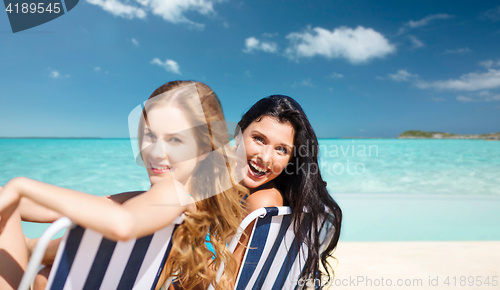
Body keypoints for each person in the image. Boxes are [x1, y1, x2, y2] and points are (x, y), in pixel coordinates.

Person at [0, 80, 246, 290]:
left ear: (203, 149)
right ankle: (32, 247)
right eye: (150, 136)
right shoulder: (189, 202)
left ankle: (32, 247)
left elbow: (123, 224)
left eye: (175, 139)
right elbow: (60, 209)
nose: (156, 153)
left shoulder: (172, 193)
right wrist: (11, 198)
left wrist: (20, 186)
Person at [233, 95, 342, 285]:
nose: (265, 158)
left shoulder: (262, 203)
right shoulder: (236, 188)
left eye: (281, 149)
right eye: (259, 139)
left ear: (291, 159)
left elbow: (226, 283)